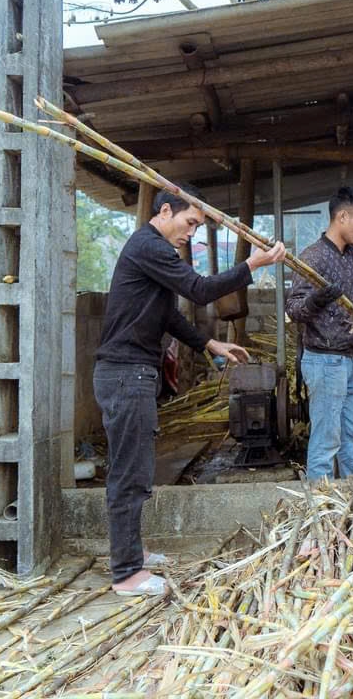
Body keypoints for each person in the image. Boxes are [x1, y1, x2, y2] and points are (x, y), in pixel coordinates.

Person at [94, 185, 286, 596]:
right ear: (166, 210)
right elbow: (199, 290)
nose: (192, 233)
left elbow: (165, 313)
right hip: (126, 373)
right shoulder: (151, 247)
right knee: (130, 473)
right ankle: (127, 573)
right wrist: (251, 265)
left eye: (198, 226)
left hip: (132, 371)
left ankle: (133, 553)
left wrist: (208, 343)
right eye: (190, 223)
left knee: (136, 468)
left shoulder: (150, 250)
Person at [286, 187, 353, 483]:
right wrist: (316, 301)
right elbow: (293, 309)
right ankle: (322, 501)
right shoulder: (313, 258)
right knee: (327, 437)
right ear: (342, 216)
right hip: (323, 360)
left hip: (349, 358)